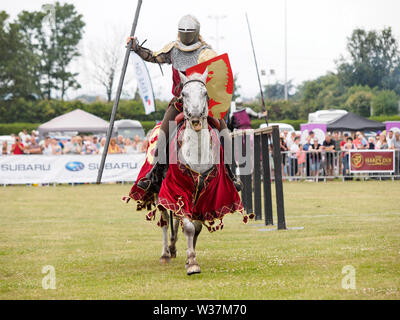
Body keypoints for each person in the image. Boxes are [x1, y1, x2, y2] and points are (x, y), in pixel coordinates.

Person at [127, 14, 240, 191]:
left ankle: (230, 173)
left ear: (196, 32)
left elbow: (218, 79)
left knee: (224, 131)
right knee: (164, 132)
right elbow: (153, 56)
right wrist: (136, 47)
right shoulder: (173, 49)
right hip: (180, 102)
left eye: (189, 31)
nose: (186, 34)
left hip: (203, 103)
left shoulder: (207, 53)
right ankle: (154, 174)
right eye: (183, 31)